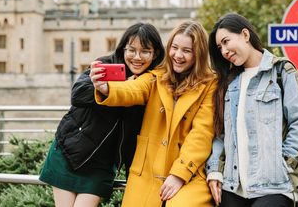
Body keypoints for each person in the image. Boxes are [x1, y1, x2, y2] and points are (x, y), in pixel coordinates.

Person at [91, 21, 217, 207]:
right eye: (174, 48)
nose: (178, 55)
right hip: (147, 170)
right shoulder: (156, 76)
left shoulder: (210, 84)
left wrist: (179, 174)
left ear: (198, 54)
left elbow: (202, 134)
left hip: (188, 173)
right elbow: (132, 89)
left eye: (187, 51)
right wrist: (106, 88)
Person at [39, 22, 165, 207]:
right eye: (131, 50)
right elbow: (78, 94)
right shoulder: (107, 65)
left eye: (145, 51)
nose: (137, 57)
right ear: (123, 49)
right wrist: (114, 86)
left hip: (101, 164)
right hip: (71, 152)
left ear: (155, 54)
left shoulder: (150, 84)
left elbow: (136, 135)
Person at [205, 13, 298, 207]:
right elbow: (221, 134)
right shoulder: (229, 82)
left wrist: (284, 164)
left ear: (245, 35)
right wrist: (214, 169)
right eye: (219, 47)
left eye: (226, 41)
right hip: (233, 187)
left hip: (275, 185)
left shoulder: (282, 71)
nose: (223, 51)